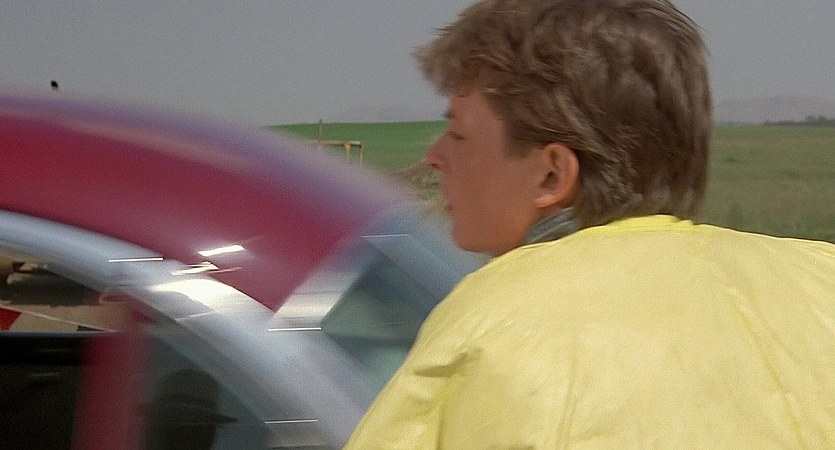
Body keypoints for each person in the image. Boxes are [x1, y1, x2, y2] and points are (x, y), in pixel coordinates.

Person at [345, 0, 835, 448]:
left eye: (457, 134)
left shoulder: (490, 324)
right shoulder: (821, 279)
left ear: (552, 174)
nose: (434, 157)